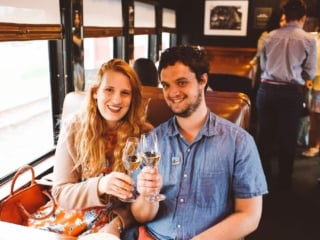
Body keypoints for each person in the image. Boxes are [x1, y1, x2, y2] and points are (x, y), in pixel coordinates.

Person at [123, 45, 268, 240]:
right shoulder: (151, 142)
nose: (172, 92)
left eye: (181, 83)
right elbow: (140, 215)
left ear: (203, 81)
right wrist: (148, 195)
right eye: (166, 85)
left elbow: (250, 216)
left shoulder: (239, 142)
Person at [51, 58, 153, 238]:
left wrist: (119, 223)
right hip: (71, 218)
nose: (116, 100)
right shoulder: (74, 128)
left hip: (115, 223)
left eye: (125, 93)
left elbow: (146, 197)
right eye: (109, 90)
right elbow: (60, 193)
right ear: (96, 92)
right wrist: (101, 185)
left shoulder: (145, 134)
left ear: (132, 98)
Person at [256, 0, 317, 190]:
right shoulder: (308, 40)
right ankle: (284, 180)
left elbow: (263, 66)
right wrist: (298, 75)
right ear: (303, 17)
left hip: (266, 90)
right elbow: (311, 72)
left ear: (285, 15)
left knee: (264, 135)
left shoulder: (269, 36)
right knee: (287, 136)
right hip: (290, 92)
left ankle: (262, 176)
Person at [302, 30, 320, 157]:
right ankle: (314, 145)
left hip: (316, 83)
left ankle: (316, 145)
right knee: (314, 117)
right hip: (315, 84)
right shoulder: (313, 38)